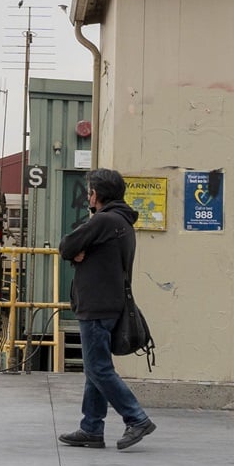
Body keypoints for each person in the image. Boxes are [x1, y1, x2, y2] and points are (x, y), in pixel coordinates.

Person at [58, 168, 156, 450]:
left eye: (90, 191)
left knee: (99, 369)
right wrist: (80, 254)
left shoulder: (103, 221)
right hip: (110, 305)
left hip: (97, 307)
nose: (88, 196)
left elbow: (66, 246)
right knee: (95, 369)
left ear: (97, 194)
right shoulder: (123, 222)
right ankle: (91, 428)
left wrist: (75, 254)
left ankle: (136, 418)